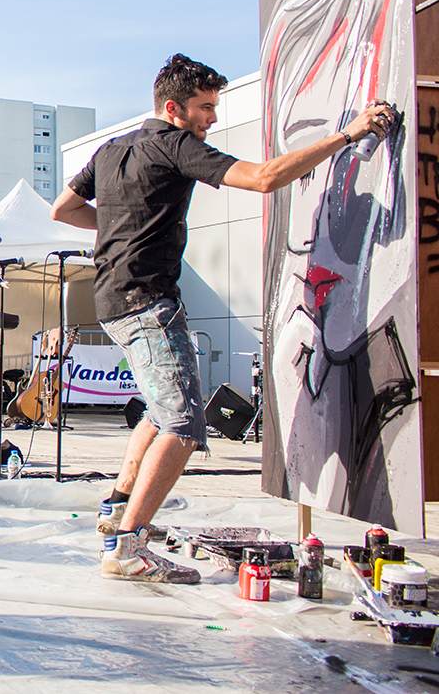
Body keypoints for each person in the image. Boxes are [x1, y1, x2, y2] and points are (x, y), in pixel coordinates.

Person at [51, 53, 394, 584]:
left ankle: (115, 509)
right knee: (184, 425)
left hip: (112, 299)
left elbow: (64, 209)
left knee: (157, 412)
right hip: (148, 302)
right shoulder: (175, 144)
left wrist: (122, 228)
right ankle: (128, 547)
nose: (212, 118)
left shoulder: (110, 149)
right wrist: (347, 134)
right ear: (174, 108)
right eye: (205, 108)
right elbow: (263, 178)